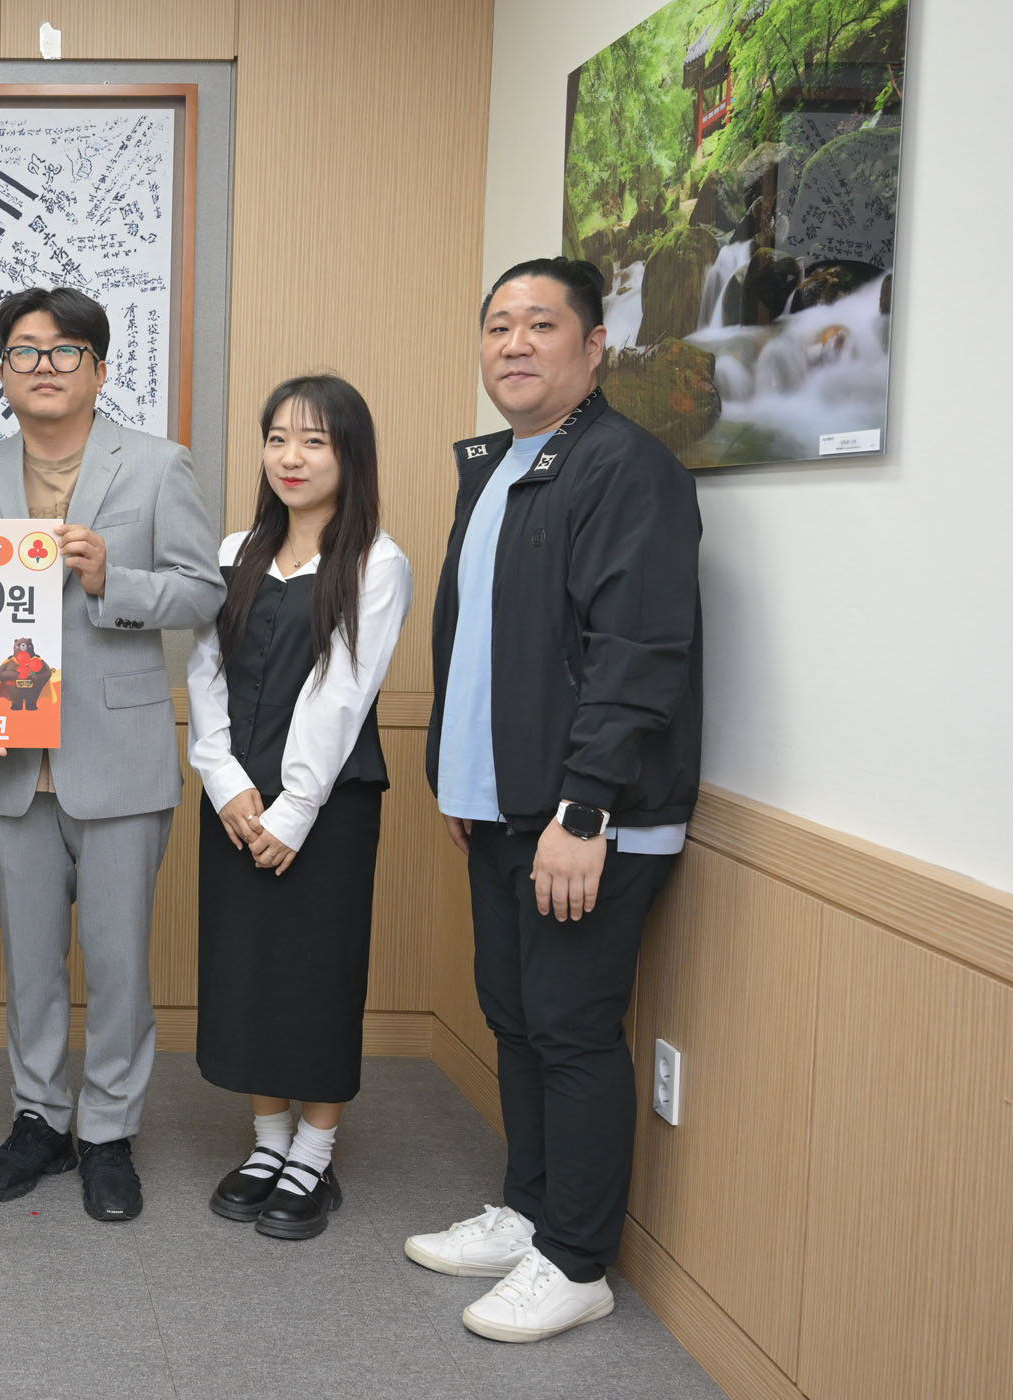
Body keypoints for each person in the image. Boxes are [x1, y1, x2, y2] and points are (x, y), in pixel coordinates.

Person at [406, 257, 701, 1341]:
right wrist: (462, 778)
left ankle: (577, 1260)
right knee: (515, 1015)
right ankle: (529, 1211)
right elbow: (486, 646)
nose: (515, 344)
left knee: (572, 1028)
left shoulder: (627, 467)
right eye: (498, 326)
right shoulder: (502, 465)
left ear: (594, 346)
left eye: (540, 324)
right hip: (504, 802)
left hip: (586, 814)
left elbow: (637, 648)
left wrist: (586, 810)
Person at [0, 287, 225, 1223]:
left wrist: (116, 581)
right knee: (30, 967)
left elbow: (203, 592)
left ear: (99, 370)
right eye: (24, 352)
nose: (45, 367)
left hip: (120, 757)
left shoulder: (157, 464)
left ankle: (108, 1132)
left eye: (66, 351)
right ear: (2, 372)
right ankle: (38, 1120)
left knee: (118, 967)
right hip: (7, 763)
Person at [187, 374, 411, 1241]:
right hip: (236, 803)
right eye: (279, 437)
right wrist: (224, 780)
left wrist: (291, 812)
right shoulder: (235, 549)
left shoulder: (376, 562)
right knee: (246, 974)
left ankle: (314, 1155)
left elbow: (341, 694)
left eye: (315, 441)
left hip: (325, 809)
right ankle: (267, 1144)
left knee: (317, 978)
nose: (292, 457)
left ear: (350, 455)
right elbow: (205, 673)